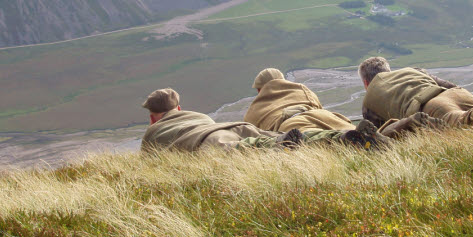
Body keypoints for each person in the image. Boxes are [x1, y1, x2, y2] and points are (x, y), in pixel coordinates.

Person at [358, 57, 473, 128]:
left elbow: (381, 132)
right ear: (388, 70)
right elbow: (448, 85)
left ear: (366, 82)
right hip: (454, 93)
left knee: (462, 123)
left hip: (430, 106)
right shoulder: (412, 70)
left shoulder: (370, 101)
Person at [245, 68, 388, 147]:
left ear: (259, 89)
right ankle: (391, 135)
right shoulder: (301, 88)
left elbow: (256, 136)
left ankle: (347, 141)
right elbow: (317, 104)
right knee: (355, 131)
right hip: (323, 115)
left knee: (316, 140)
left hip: (290, 124)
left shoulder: (254, 109)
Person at [140, 88, 303, 153]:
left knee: (242, 149)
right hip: (234, 127)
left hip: (209, 140)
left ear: (152, 117)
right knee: (270, 135)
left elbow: (148, 161)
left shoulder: (153, 132)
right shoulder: (200, 116)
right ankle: (313, 137)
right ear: (179, 108)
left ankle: (279, 146)